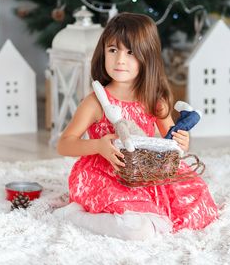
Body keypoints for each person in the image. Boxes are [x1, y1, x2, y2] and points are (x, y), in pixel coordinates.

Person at [55, 12, 218, 240]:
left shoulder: (154, 100)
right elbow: (64, 145)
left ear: (147, 57)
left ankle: (139, 215)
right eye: (113, 50)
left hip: (144, 173)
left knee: (199, 204)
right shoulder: (96, 102)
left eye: (131, 52)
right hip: (103, 175)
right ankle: (76, 215)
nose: (120, 60)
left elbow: (172, 143)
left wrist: (182, 142)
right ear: (103, 53)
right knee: (139, 231)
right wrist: (98, 146)